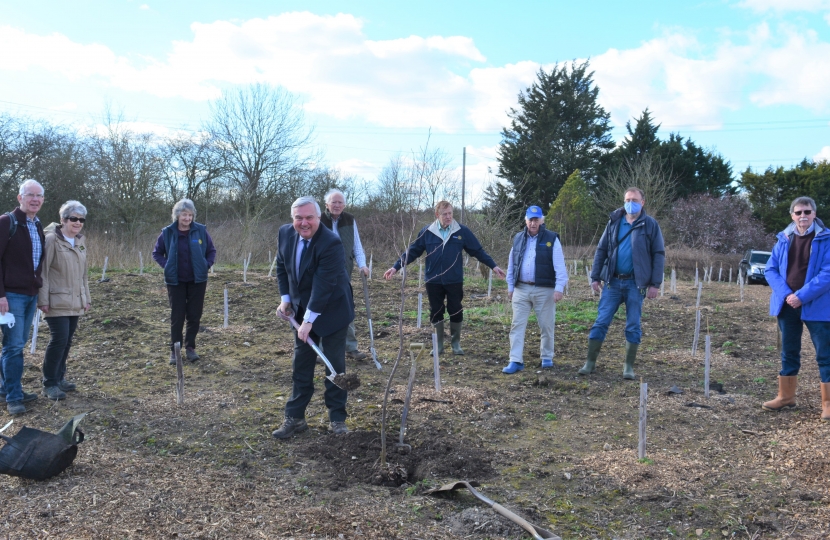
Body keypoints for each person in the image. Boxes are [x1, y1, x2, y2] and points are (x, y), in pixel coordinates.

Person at [273, 196, 355, 439]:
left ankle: (337, 419)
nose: (304, 222)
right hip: (300, 310)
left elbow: (324, 284)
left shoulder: (331, 242)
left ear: (319, 217)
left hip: (332, 311)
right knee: (302, 364)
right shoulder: (285, 234)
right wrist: (286, 299)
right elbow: (281, 266)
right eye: (299, 218)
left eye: (309, 217)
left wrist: (309, 321)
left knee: (335, 366)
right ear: (293, 219)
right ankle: (295, 418)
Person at [383, 200, 506, 355]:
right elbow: (413, 251)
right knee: (436, 311)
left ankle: (455, 344)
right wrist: (396, 267)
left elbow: (478, 251)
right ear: (437, 215)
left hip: (454, 279)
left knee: (455, 310)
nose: (448, 217)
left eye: (450, 213)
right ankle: (438, 345)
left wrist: (493, 266)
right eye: (445, 214)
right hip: (433, 280)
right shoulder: (427, 231)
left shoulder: (461, 231)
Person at [579, 187, 664, 379]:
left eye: (634, 199)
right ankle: (590, 363)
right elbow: (601, 250)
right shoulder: (614, 222)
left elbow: (658, 255)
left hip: (636, 284)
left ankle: (628, 367)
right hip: (613, 282)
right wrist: (595, 277)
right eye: (627, 199)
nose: (630, 203)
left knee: (633, 325)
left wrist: (655, 284)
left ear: (642, 202)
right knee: (600, 322)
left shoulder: (650, 225)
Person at [762, 196, 830, 421]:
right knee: (789, 351)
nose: (803, 216)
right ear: (792, 215)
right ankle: (786, 397)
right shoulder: (783, 239)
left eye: (807, 212)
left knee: (825, 354)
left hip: (818, 306)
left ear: (814, 215)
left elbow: (827, 274)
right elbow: (770, 270)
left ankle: (828, 404)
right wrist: (788, 295)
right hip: (787, 305)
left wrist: (801, 296)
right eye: (798, 212)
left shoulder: (826, 238)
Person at [502, 206, 568, 374]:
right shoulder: (518, 238)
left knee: (546, 325)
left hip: (544, 289)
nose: (533, 223)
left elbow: (560, 266)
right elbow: (512, 264)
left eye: (536, 219)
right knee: (516, 325)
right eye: (530, 219)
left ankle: (547, 356)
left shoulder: (551, 239)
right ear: (526, 220)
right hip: (521, 288)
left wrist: (559, 288)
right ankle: (515, 360)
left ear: (541, 220)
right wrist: (510, 286)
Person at [38, 201, 91, 401]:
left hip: (75, 302)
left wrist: (86, 299)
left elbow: (83, 276)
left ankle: (60, 378)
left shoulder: (80, 242)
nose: (77, 223)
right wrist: (43, 300)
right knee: (58, 340)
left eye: (81, 219)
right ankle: (49, 383)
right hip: (55, 301)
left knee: (67, 342)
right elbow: (43, 271)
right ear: (63, 219)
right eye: (73, 219)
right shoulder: (51, 239)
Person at [0, 179, 46, 415]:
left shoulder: (37, 225)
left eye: (39, 196)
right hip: (11, 296)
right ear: (20, 198)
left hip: (30, 295)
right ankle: (14, 397)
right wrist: (1, 296)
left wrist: (37, 289)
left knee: (16, 345)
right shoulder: (6, 222)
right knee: (14, 347)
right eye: (30, 195)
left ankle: (4, 387)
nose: (35, 199)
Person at [152, 199, 216, 364]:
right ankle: (175, 349)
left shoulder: (200, 231)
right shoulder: (167, 233)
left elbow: (211, 251)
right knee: (177, 316)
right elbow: (157, 252)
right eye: (184, 214)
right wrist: (167, 266)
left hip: (197, 280)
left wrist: (205, 265)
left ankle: (190, 347)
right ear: (177, 215)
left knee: (194, 315)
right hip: (176, 281)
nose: (187, 218)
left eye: (190, 215)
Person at [320, 189, 370, 360]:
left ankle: (350, 347)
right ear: (326, 204)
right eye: (333, 202)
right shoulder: (318, 219)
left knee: (345, 306)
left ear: (344, 205)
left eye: (340, 202)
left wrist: (362, 265)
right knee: (321, 307)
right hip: (322, 272)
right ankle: (320, 348)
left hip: (344, 271)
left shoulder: (349, 219)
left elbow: (356, 245)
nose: (337, 205)